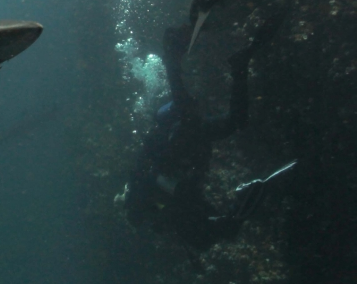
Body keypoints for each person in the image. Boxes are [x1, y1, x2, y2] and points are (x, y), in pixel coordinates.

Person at [115, 17, 295, 253]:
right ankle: (239, 66)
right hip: (195, 141)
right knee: (236, 121)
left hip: (178, 142)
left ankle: (171, 56)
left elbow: (167, 185)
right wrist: (220, 219)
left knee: (187, 111)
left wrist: (211, 218)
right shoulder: (173, 209)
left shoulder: (146, 190)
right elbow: (193, 204)